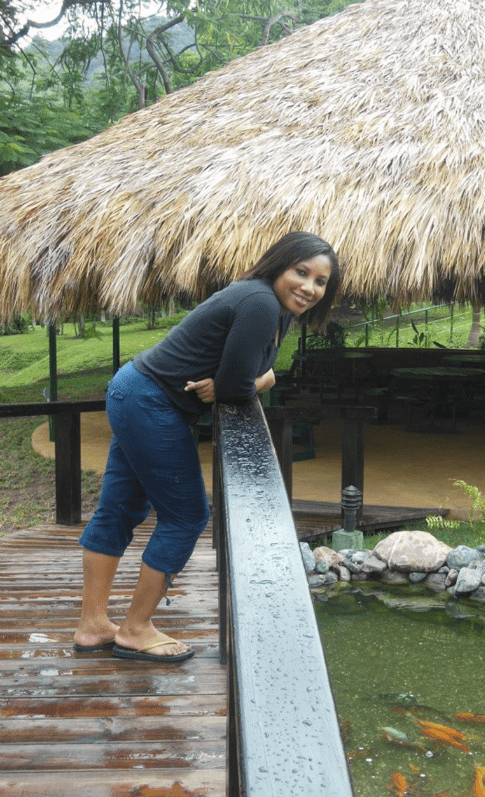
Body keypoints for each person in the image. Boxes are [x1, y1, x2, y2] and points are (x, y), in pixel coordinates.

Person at [73, 231, 341, 663]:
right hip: (151, 400)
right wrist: (262, 381)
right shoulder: (260, 303)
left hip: (134, 390)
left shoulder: (271, 306)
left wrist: (251, 379)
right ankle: (136, 628)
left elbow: (234, 379)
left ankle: (93, 625)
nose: (309, 287)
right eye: (302, 272)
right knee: (187, 515)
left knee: (120, 508)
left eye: (321, 282)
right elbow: (237, 386)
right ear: (280, 264)